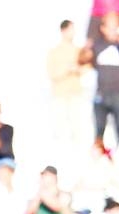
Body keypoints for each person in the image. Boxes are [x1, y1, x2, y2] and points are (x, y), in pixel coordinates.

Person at [80, 12, 119, 148]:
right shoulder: (97, 44)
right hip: (101, 93)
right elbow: (82, 60)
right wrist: (86, 48)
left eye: (116, 27)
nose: (113, 31)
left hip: (118, 93)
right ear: (103, 28)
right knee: (99, 130)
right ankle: (99, 156)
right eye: (110, 27)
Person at [47, 20, 85, 152]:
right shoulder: (54, 52)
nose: (73, 32)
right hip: (60, 95)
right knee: (60, 129)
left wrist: (77, 69)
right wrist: (67, 69)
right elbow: (52, 74)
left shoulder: (79, 51)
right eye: (71, 29)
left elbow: (85, 68)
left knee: (77, 129)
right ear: (63, 31)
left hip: (75, 94)